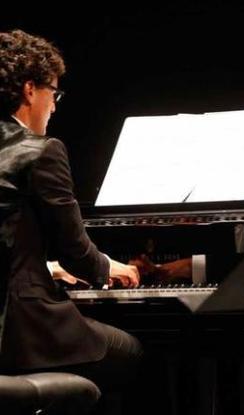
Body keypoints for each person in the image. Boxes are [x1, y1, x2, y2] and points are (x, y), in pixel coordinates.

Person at [0, 29, 142, 395]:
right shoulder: (41, 151)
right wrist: (108, 266)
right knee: (134, 354)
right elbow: (76, 253)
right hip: (21, 330)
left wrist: (44, 267)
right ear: (30, 89)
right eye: (54, 92)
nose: (55, 105)